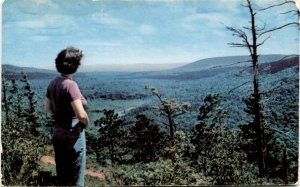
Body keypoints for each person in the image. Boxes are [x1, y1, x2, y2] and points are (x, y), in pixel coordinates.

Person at [44, 46, 89, 186]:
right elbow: (81, 114)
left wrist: (61, 115)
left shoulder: (53, 82)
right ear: (74, 65)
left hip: (58, 134)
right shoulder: (71, 85)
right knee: (76, 179)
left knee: (63, 176)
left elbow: (47, 108)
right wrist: (86, 123)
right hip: (73, 137)